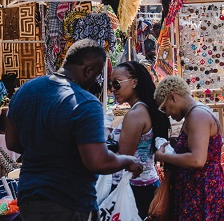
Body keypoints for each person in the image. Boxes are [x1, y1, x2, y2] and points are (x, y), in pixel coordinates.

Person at [6, 40, 144, 221]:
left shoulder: (25, 91)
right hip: (70, 201)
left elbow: (12, 142)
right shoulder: (85, 102)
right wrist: (128, 160)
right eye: (96, 76)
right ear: (88, 71)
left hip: (29, 198)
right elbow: (98, 162)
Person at [154, 75, 224, 221]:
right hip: (200, 191)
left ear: (173, 97)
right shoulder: (196, 114)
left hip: (202, 193)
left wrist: (163, 156)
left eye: (165, 108)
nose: (168, 114)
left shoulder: (197, 116)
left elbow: (197, 160)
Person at [110, 61, 171, 218]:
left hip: (134, 189)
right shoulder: (145, 109)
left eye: (116, 84)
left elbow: (124, 159)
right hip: (147, 183)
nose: (112, 89)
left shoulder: (135, 114)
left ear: (134, 82)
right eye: (111, 85)